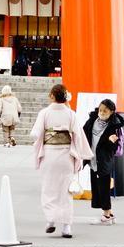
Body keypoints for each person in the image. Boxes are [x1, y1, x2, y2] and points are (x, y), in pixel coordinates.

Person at [31, 84, 93, 238]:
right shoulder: (71, 114)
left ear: (52, 96)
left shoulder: (44, 113)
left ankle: (51, 220)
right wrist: (82, 153)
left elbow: (36, 133)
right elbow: (78, 135)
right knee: (65, 192)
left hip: (49, 156)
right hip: (66, 156)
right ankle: (66, 227)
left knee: (49, 188)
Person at [83, 99, 124, 224]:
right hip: (92, 159)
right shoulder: (92, 120)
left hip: (104, 161)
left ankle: (107, 216)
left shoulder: (114, 126)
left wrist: (110, 141)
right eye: (100, 110)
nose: (101, 112)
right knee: (97, 188)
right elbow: (83, 133)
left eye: (105, 111)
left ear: (111, 112)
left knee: (103, 187)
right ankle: (109, 213)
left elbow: (113, 149)